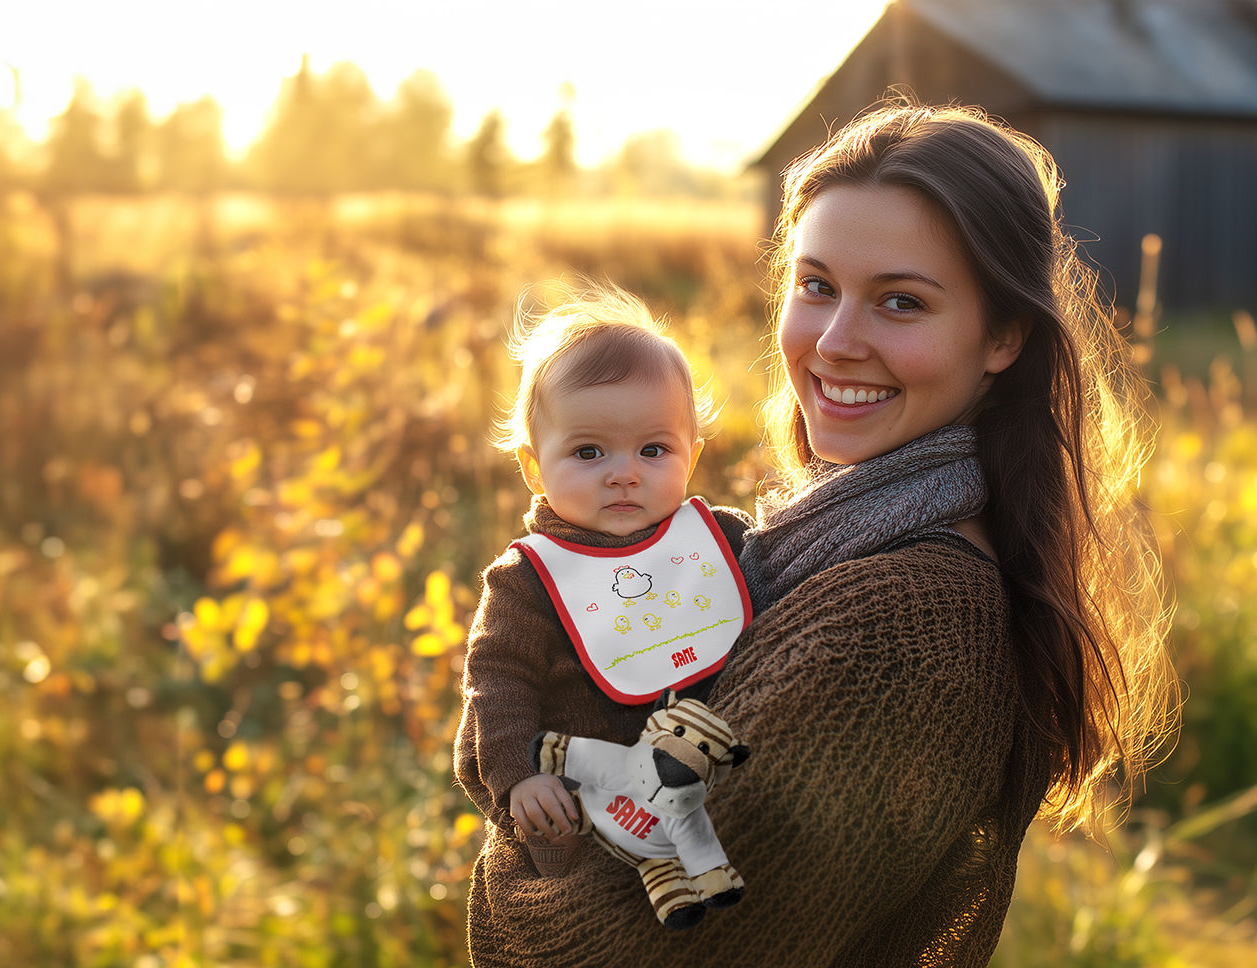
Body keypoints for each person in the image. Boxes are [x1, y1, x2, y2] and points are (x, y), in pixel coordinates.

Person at [459, 102, 1176, 967]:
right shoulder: (806, 547)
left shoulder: (902, 626)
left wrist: (524, 814)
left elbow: (602, 951)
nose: (835, 343)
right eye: (815, 285)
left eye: (900, 302)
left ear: (1002, 336)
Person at [452, 281, 755, 887]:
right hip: (583, 818)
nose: (624, 475)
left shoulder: (719, 540)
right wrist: (520, 778)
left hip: (718, 794)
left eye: (652, 449)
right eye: (589, 452)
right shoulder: (528, 580)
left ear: (691, 456)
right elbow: (497, 684)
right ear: (534, 467)